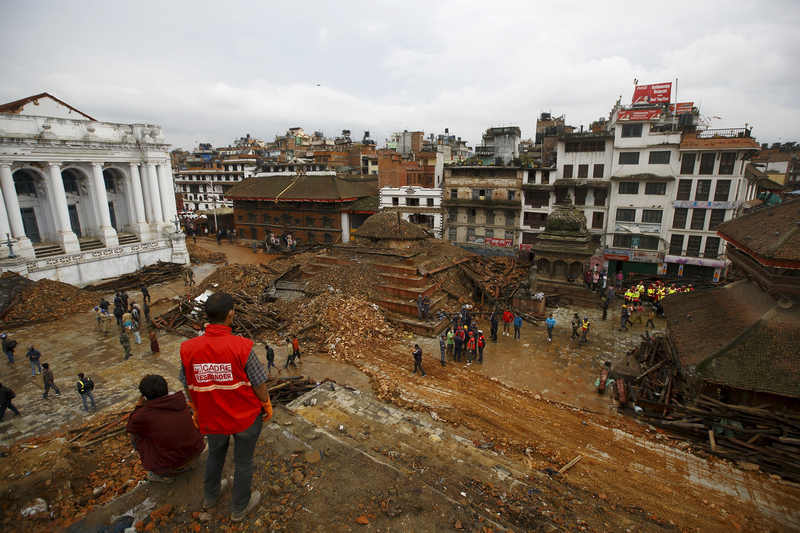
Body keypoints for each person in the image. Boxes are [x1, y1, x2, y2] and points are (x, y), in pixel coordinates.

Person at [179, 292, 271, 522]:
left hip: (211, 417)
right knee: (243, 462)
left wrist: (196, 408)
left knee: (215, 456)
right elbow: (259, 383)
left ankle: (210, 497)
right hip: (245, 418)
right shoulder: (243, 347)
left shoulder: (188, 349)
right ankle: (239, 508)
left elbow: (186, 381)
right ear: (231, 314)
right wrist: (266, 404)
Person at [126, 375, 206, 483]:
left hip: (173, 464)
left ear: (144, 396)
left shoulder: (143, 415)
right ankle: (186, 464)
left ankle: (161, 474)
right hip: (195, 453)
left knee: (136, 436)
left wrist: (139, 405)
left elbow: (130, 426)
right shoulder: (179, 400)